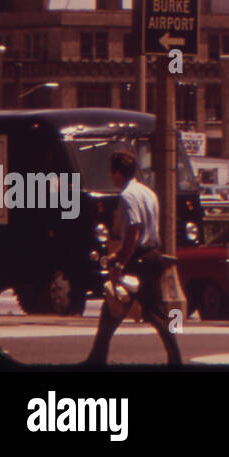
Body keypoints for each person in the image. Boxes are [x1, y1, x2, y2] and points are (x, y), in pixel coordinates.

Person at [83, 150, 182, 366]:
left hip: (140, 260)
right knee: (112, 310)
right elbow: (147, 230)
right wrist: (117, 255)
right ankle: (96, 358)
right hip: (152, 255)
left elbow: (134, 233)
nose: (111, 177)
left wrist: (120, 262)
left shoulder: (127, 195)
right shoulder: (148, 193)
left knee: (156, 314)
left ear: (118, 172)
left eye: (112, 172)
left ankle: (176, 359)